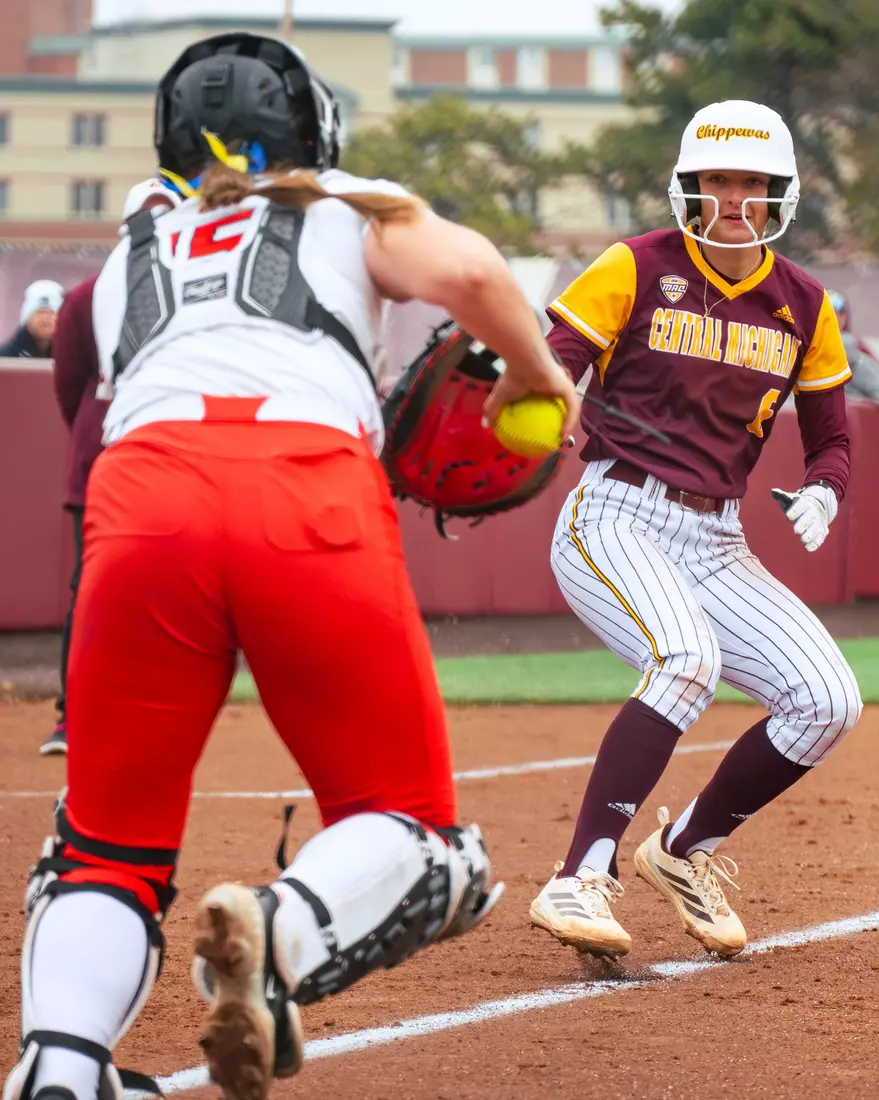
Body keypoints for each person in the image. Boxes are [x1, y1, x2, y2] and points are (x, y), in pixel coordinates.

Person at [3, 32, 578, 1100]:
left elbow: (77, 374)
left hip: (140, 504)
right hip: (303, 487)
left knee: (104, 845)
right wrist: (537, 378)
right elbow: (472, 272)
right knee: (423, 840)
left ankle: (61, 1068)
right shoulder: (343, 203)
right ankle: (281, 930)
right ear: (314, 131)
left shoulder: (138, 238)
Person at [530, 99, 862, 960]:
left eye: (751, 183)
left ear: (777, 194)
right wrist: (550, 399)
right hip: (613, 511)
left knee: (827, 700)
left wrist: (824, 490)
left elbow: (830, 436)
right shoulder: (632, 264)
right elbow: (552, 362)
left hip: (715, 538)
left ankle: (684, 853)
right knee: (685, 661)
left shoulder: (802, 303)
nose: (733, 199)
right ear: (689, 187)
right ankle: (578, 877)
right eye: (717, 180)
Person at [43, 181, 181, 757]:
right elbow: (69, 386)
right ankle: (71, 717)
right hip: (107, 459)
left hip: (170, 456)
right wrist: (93, 435)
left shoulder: (192, 291)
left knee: (168, 589)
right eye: (147, 216)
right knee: (92, 590)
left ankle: (151, 711)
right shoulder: (87, 296)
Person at [827, 288, 879, 403]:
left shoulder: (851, 345)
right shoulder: (806, 346)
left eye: (841, 311)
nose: (837, 316)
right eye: (831, 311)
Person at [0, 280, 64, 358]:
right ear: (27, 318)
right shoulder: (8, 356)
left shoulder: (69, 353)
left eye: (51, 313)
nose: (45, 319)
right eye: (40, 312)